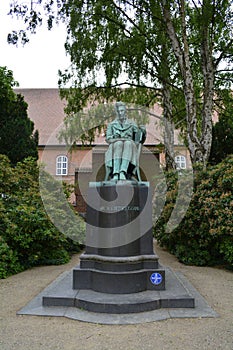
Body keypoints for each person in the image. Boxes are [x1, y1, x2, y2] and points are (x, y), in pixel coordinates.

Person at [105, 101, 146, 181]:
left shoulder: (131, 124)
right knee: (119, 144)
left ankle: (122, 172)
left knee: (128, 143)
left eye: (122, 111)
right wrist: (118, 139)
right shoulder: (112, 125)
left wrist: (143, 132)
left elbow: (139, 137)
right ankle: (116, 173)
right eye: (118, 111)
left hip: (130, 147)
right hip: (115, 147)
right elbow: (109, 139)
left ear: (125, 112)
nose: (120, 113)